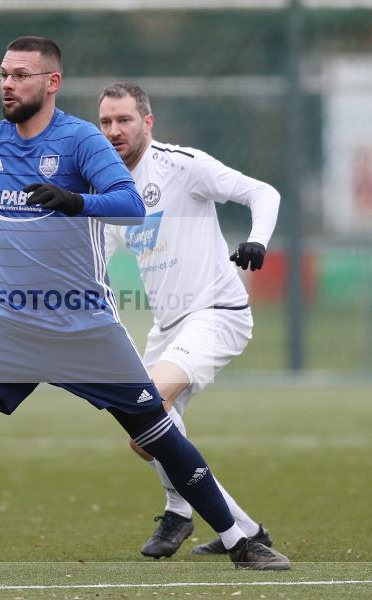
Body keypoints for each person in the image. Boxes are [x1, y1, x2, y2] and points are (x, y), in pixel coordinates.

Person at [0, 37, 290, 573]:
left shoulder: (81, 141)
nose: (7, 84)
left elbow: (127, 204)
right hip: (8, 324)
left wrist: (77, 201)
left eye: (21, 75)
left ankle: (242, 540)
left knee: (156, 433)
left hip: (83, 325)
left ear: (51, 83)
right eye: (3, 74)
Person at [98, 81, 286, 560]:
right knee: (145, 431)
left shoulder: (182, 166)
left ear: (148, 121)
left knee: (153, 405)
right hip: (166, 327)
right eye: (106, 122)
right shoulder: (110, 185)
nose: (115, 131)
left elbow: (262, 192)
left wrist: (258, 240)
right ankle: (220, 521)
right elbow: (98, 253)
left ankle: (195, 517)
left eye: (125, 120)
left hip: (216, 313)